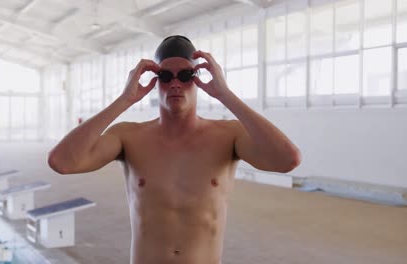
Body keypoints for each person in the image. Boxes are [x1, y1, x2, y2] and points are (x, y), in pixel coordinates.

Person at [48, 35, 301, 264]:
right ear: (156, 82)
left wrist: (226, 95)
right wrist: (124, 99)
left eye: (186, 76)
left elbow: (287, 160)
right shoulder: (129, 136)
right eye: (166, 77)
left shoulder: (228, 136)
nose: (175, 84)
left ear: (198, 79)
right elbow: (62, 162)